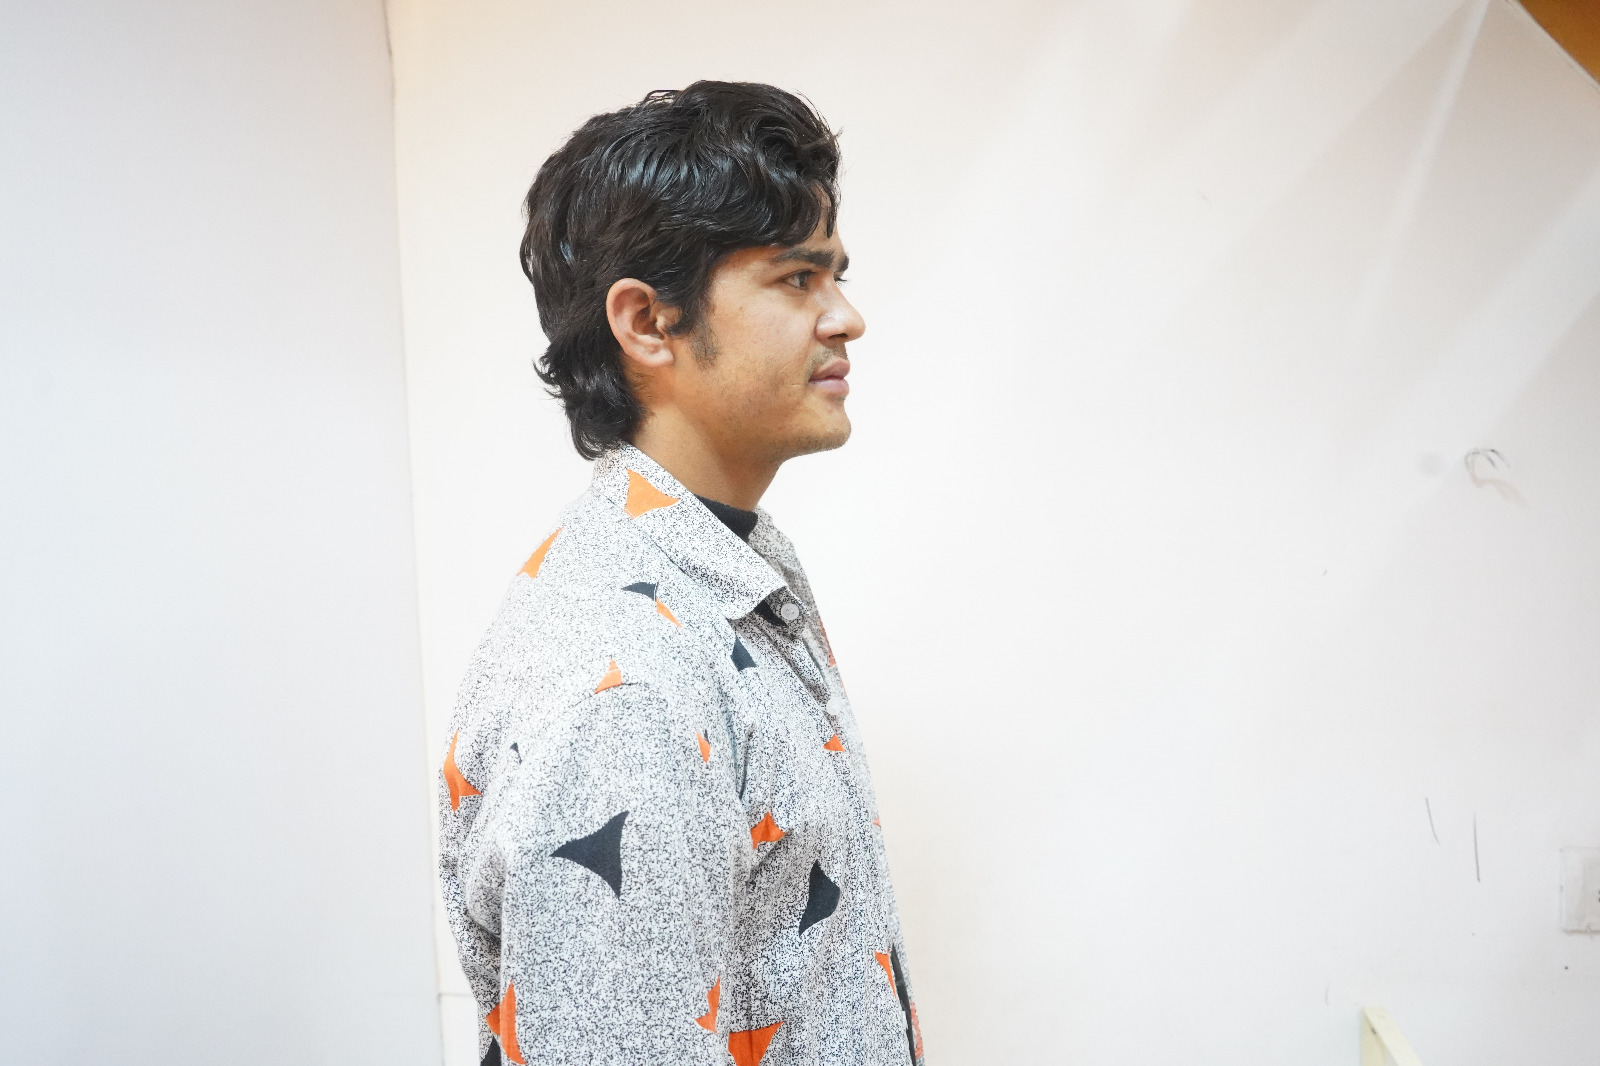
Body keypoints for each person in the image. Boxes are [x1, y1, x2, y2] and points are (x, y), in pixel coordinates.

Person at [437, 81, 923, 1066]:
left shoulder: (719, 577)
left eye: (835, 275)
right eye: (797, 278)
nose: (847, 318)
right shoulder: (622, 688)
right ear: (648, 322)